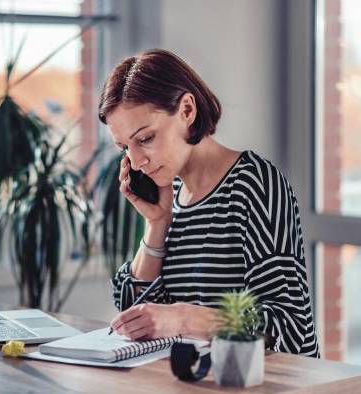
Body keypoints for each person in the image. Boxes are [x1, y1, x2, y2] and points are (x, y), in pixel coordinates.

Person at [99, 49, 319, 357]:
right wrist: (156, 226)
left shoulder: (253, 185)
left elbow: (293, 330)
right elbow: (138, 319)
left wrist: (186, 318)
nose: (135, 162)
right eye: (125, 146)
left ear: (187, 110)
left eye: (146, 138)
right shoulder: (170, 195)